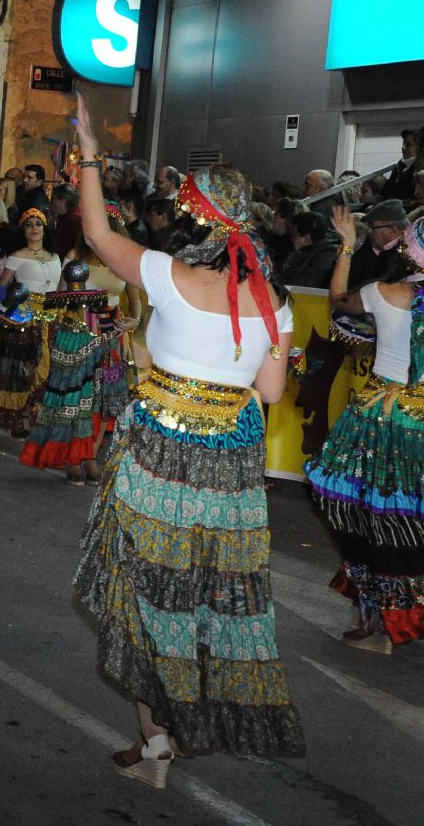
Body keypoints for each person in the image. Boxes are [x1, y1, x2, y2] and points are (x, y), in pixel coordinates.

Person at [70, 96, 304, 782]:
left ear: (195, 218)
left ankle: (157, 743)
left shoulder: (169, 278)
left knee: (146, 592)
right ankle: (174, 733)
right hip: (229, 464)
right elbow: (270, 393)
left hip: (157, 455)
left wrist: (88, 152)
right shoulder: (277, 300)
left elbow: (94, 230)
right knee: (207, 594)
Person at [307, 212, 424, 653]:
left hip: (381, 416)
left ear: (408, 249)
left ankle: (382, 623)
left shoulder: (382, 292)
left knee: (359, 510)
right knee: (410, 516)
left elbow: (336, 300)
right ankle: (403, 614)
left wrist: (347, 245)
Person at [20, 204, 140, 486]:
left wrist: (134, 320)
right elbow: (60, 295)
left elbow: (135, 300)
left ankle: (91, 456)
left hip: (111, 339)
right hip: (76, 338)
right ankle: (74, 457)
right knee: (77, 401)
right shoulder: (75, 257)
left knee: (103, 402)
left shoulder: (123, 261)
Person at [0, 209, 62, 436]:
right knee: (25, 369)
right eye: (29, 225)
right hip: (25, 320)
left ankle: (40, 415)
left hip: (52, 317)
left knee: (48, 368)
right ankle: (23, 417)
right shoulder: (17, 255)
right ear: (24, 230)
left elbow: (60, 288)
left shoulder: (55, 256)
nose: (35, 228)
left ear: (45, 229)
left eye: (38, 224)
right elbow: (1, 288)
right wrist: (8, 313)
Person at [347, 199, 408, 290]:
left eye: (372, 227)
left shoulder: (406, 257)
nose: (368, 231)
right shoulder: (367, 247)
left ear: (392, 231)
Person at [278, 211, 341, 289]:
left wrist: (277, 281)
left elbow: (306, 285)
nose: (292, 239)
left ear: (307, 237)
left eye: (294, 236)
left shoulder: (326, 256)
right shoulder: (309, 251)